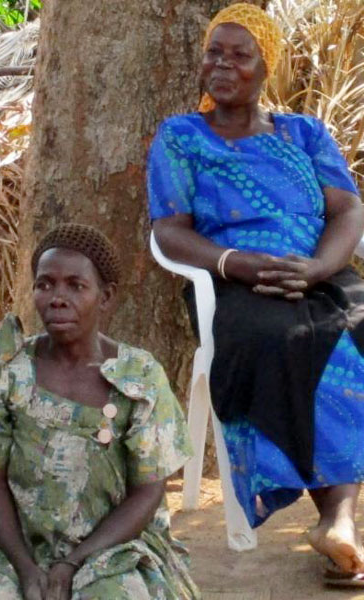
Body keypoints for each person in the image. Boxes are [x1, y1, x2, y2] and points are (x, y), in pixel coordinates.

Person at [148, 2, 364, 585]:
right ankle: (336, 517)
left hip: (315, 274)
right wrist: (235, 263)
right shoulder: (181, 137)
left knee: (351, 335)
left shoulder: (304, 132)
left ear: (267, 67)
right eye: (214, 52)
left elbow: (347, 209)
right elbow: (168, 229)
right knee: (288, 339)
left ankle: (340, 519)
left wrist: (317, 269)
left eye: (240, 55)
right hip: (229, 286)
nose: (222, 64)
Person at [0, 223, 200, 600]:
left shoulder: (139, 377)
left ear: (106, 296)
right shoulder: (5, 373)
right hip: (14, 545)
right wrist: (25, 567)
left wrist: (74, 562)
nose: (57, 298)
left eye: (75, 286)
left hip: (113, 547)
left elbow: (147, 493)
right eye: (45, 284)